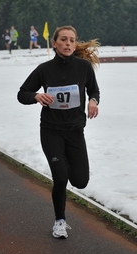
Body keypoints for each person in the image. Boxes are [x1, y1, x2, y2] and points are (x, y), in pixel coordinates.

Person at [17, 25, 100, 239]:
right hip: (51, 131)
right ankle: (60, 221)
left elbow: (94, 90)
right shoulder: (44, 69)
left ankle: (66, 161)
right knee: (60, 177)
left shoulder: (84, 67)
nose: (68, 44)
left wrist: (93, 101)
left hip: (74, 131)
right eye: (63, 40)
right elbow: (22, 93)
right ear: (55, 44)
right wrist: (36, 96)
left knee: (80, 181)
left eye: (72, 40)